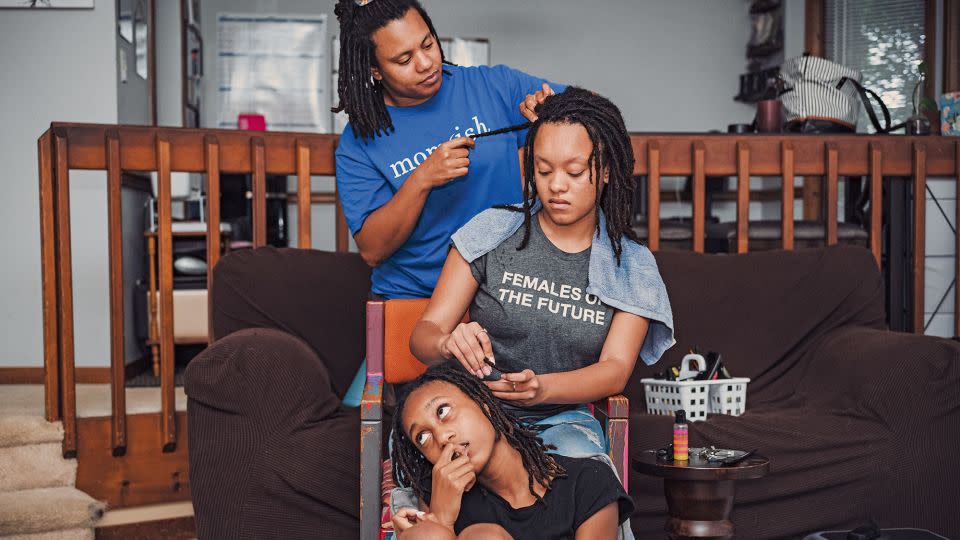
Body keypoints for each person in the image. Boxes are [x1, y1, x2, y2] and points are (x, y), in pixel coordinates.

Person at [408, 87, 675, 459]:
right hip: (472, 411)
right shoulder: (491, 230)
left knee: (585, 478)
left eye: (575, 171)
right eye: (543, 169)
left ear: (608, 171)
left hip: (564, 420)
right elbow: (423, 335)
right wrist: (446, 342)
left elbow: (614, 369)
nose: (556, 185)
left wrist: (542, 390)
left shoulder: (632, 266)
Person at [333, 0, 564, 299]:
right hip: (416, 298)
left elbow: (594, 112)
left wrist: (550, 112)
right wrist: (422, 179)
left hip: (509, 293)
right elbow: (372, 251)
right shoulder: (359, 141)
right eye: (404, 60)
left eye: (428, 44)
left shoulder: (493, 86)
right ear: (375, 70)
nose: (426, 63)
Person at [390, 361, 634, 539]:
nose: (442, 437)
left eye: (443, 411)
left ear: (484, 403)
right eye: (422, 437)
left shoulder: (587, 481)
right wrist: (441, 521)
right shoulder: (440, 494)